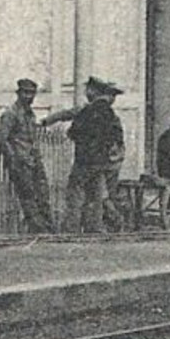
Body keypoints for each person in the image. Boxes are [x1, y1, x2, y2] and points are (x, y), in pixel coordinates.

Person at [49, 76, 126, 233]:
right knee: (95, 196)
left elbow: (73, 132)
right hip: (101, 161)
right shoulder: (110, 114)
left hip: (84, 161)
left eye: (87, 90)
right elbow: (116, 137)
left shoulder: (87, 111)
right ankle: (94, 227)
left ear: (94, 92)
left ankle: (71, 229)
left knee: (75, 194)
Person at [0, 78, 54, 233]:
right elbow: (2, 138)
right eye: (26, 93)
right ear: (19, 93)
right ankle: (39, 230)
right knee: (28, 197)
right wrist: (13, 160)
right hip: (21, 162)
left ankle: (48, 229)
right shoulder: (11, 114)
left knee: (42, 194)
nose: (29, 97)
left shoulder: (30, 114)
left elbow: (31, 138)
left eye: (32, 93)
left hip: (33, 160)